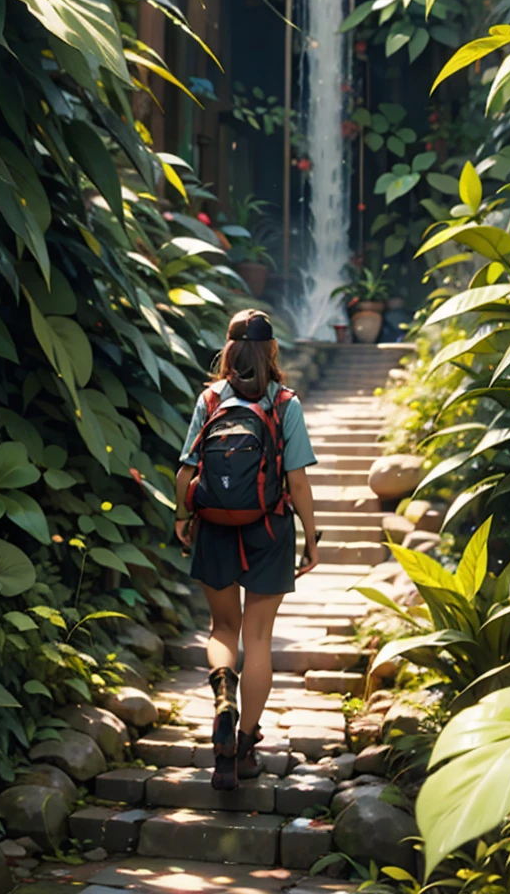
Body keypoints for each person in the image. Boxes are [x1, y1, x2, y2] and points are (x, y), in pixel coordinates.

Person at [175, 310, 319, 790]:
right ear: (273, 351)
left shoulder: (211, 398)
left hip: (215, 526)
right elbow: (297, 479)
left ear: (229, 352)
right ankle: (245, 744)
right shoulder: (286, 404)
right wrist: (311, 536)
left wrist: (182, 516)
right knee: (258, 639)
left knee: (222, 627)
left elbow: (186, 469)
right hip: (271, 527)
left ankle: (223, 704)